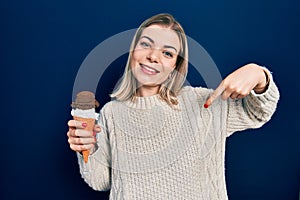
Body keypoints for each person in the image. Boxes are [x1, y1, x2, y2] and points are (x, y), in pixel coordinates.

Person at [67, 13, 280, 199]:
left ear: (175, 66)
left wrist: (259, 75)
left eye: (167, 53)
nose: (153, 56)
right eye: (145, 44)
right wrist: (86, 147)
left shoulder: (201, 103)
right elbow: (101, 181)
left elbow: (258, 112)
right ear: (133, 51)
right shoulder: (111, 113)